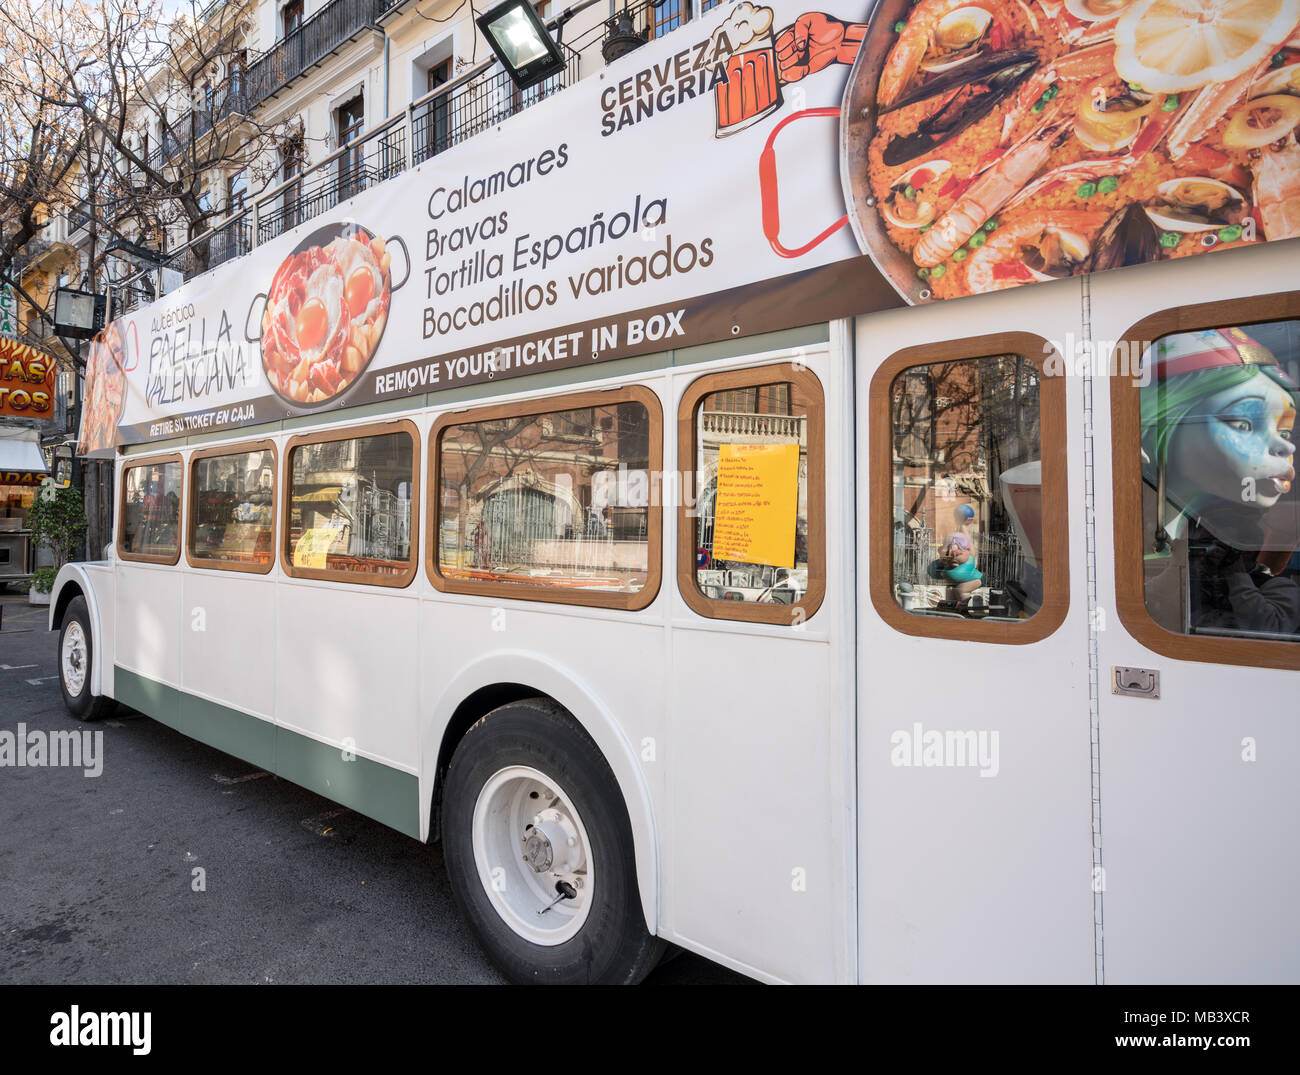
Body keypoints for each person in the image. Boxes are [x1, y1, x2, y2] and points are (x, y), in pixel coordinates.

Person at [1141, 326, 1300, 636]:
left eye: (1284, 432)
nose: (1287, 447)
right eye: (1243, 422)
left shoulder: (1276, 584)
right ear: (1164, 426)